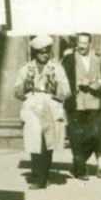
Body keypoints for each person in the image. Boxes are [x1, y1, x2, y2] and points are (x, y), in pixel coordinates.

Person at [14, 35, 70, 189]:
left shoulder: (56, 68)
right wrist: (25, 93)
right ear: (34, 52)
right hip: (33, 106)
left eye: (47, 51)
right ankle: (38, 175)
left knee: (47, 142)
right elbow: (17, 89)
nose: (44, 55)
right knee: (34, 141)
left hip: (50, 105)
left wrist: (56, 87)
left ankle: (43, 176)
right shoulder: (26, 69)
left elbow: (67, 91)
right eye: (41, 52)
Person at [61, 32, 101, 179]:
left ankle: (84, 164)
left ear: (90, 44)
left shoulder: (96, 60)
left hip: (93, 101)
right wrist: (78, 83)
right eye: (79, 43)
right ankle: (81, 169)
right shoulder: (69, 59)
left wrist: (99, 84)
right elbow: (63, 80)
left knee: (94, 134)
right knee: (76, 137)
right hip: (75, 102)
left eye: (84, 43)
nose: (81, 46)